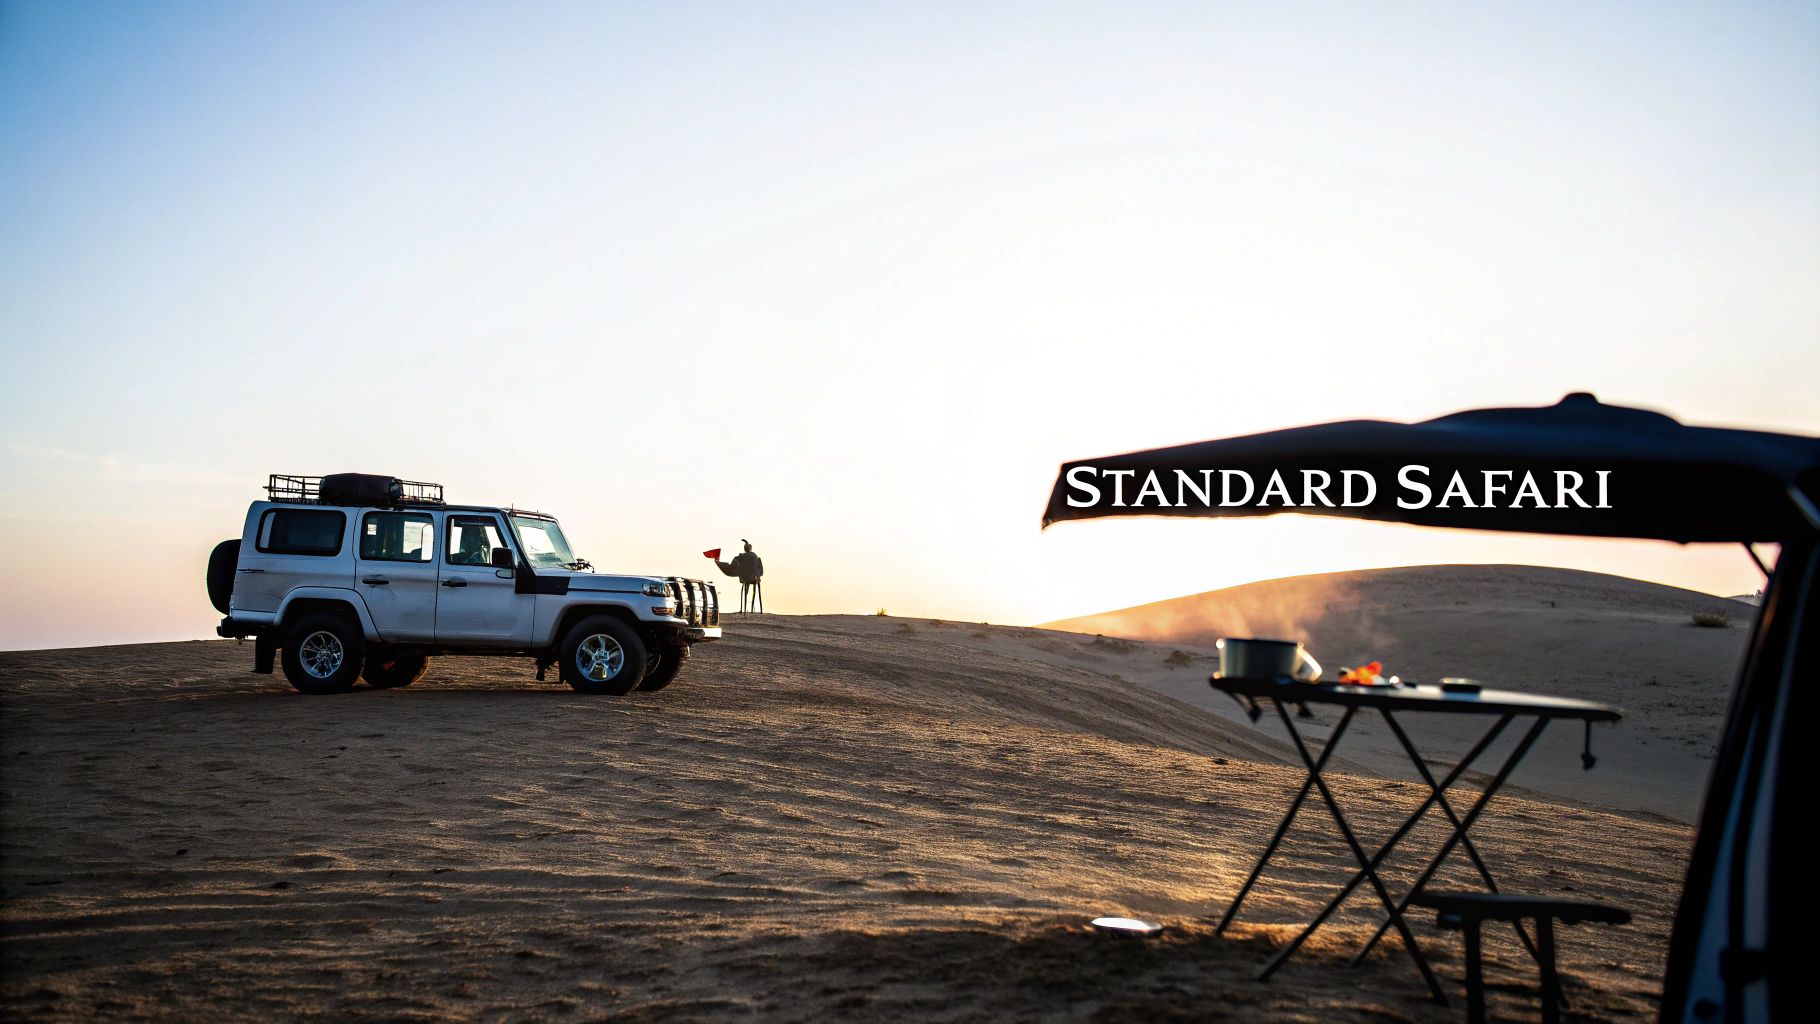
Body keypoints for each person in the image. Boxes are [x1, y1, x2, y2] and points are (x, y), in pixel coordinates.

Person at [714, 540, 764, 613]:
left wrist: (718, 562)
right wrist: (758, 576)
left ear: (745, 549)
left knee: (746, 585)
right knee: (748, 585)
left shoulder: (740, 557)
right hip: (754, 578)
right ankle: (752, 609)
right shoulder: (756, 558)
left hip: (745, 578)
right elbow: (761, 570)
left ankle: (743, 609)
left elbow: (732, 567)